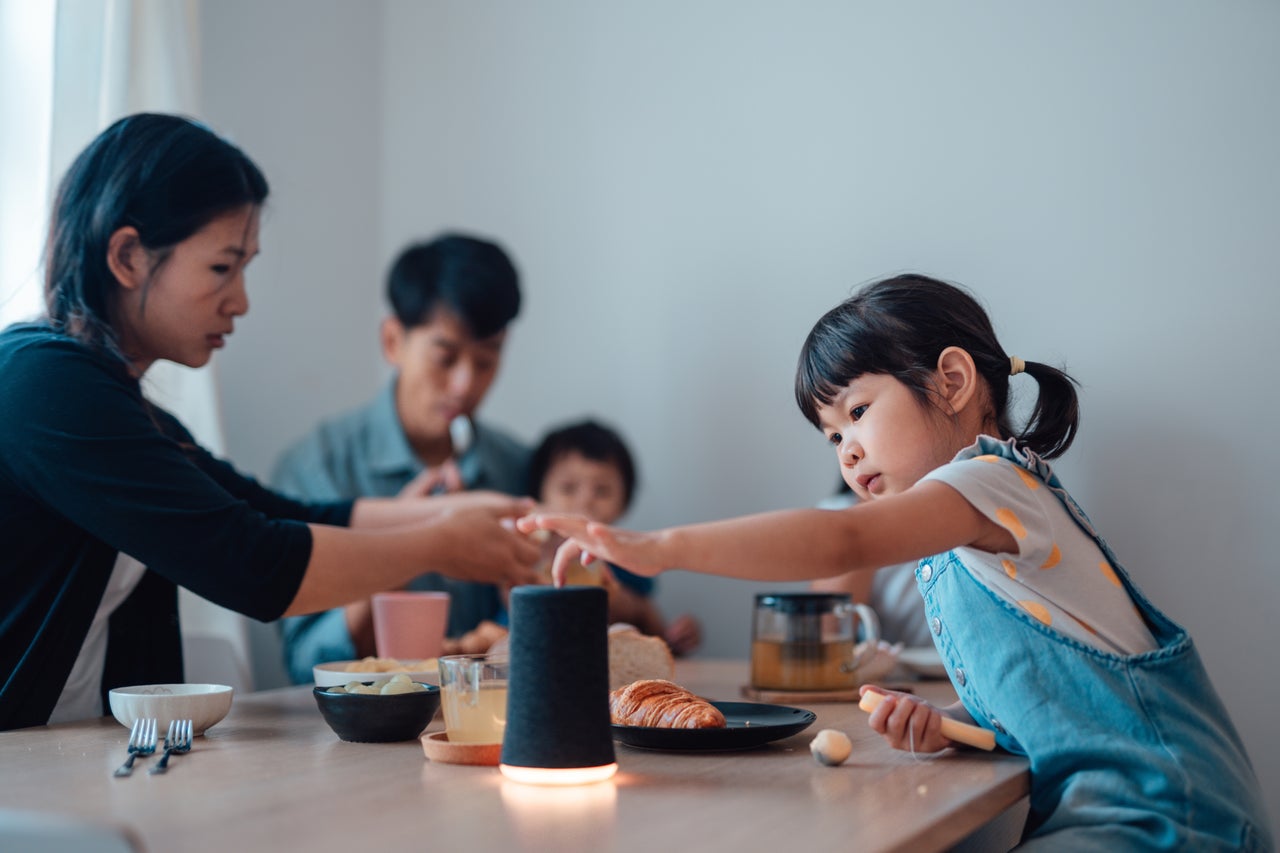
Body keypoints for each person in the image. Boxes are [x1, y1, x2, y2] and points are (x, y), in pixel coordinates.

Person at [519, 274, 1272, 849]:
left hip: (1167, 814)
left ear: (951, 382)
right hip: (1110, 809)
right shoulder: (952, 534)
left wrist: (658, 547)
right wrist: (959, 723)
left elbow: (841, 538)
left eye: (856, 411)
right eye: (828, 435)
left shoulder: (994, 481)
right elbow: (1047, 695)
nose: (844, 448)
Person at [0, 114, 540, 731]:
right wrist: (444, 543)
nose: (241, 300)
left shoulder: (128, 409)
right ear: (126, 255)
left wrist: (459, 516)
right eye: (222, 268)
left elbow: (273, 511)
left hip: (73, 756)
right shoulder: (42, 386)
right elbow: (253, 562)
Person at [272, 233, 530, 683]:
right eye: (445, 358)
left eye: (487, 362)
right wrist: (408, 541)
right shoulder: (319, 468)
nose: (465, 385)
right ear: (393, 341)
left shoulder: (515, 468)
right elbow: (305, 662)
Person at [528, 419, 702, 656]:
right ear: (539, 493)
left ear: (624, 502)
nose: (585, 501)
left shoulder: (629, 560)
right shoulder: (525, 553)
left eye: (602, 490)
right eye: (568, 488)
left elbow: (654, 634)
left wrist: (675, 636)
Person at [810, 481, 932, 648]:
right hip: (894, 667)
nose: (851, 455)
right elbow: (829, 634)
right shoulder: (837, 515)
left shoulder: (960, 499)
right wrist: (867, 516)